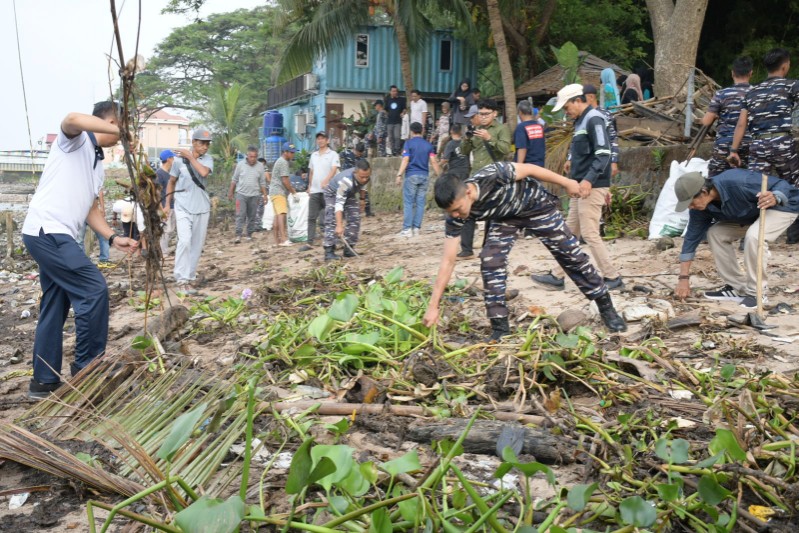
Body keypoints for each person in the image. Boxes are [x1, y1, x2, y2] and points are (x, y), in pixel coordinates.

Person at [423, 163, 627, 341]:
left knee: (571, 254)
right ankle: (500, 328)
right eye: (451, 212)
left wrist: (566, 182)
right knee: (490, 261)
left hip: (536, 206)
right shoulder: (455, 215)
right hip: (504, 218)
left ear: (467, 192)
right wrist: (433, 306)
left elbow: (530, 169)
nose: (456, 215)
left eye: (458, 209)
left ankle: (607, 309)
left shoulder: (493, 174)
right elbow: (448, 261)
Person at [21, 101, 138, 399]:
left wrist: (113, 239)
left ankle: (43, 382)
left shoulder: (97, 164)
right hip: (49, 231)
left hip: (56, 235)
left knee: (55, 303)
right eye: (121, 125)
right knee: (93, 289)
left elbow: (90, 211)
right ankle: (88, 370)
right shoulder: (76, 141)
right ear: (110, 121)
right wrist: (121, 130)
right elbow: (71, 118)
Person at [532, 84, 623, 291]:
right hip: (581, 185)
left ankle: (612, 277)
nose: (566, 111)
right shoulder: (581, 121)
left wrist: (589, 180)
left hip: (591, 186)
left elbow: (603, 153)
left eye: (567, 107)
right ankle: (557, 276)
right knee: (569, 233)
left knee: (590, 233)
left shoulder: (595, 119)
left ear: (578, 100)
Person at [672, 169, 799, 309]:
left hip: (782, 207)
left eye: (691, 201)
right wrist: (683, 278)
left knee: (754, 236)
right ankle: (737, 287)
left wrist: (775, 196)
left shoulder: (739, 182)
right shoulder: (700, 210)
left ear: (704, 191)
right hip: (751, 214)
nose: (690, 207)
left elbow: (782, 184)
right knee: (715, 233)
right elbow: (691, 239)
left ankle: (757, 293)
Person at [459, 99, 511, 259]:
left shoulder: (502, 129)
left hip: (494, 175)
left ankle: (488, 247)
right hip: (476, 175)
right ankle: (466, 249)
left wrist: (489, 138)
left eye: (486, 114)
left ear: (495, 114)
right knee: (468, 211)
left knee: (493, 213)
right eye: (480, 114)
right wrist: (467, 139)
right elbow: (463, 151)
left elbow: (505, 150)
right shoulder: (477, 130)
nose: (482, 117)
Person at [164, 128, 214, 289]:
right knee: (184, 241)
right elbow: (171, 181)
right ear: (193, 142)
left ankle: (190, 275)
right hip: (182, 206)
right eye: (201, 143)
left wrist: (190, 156)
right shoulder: (178, 162)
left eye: (207, 144)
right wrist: (167, 205)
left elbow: (203, 173)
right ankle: (181, 277)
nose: (205, 147)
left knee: (196, 244)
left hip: (202, 207)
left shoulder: (208, 160)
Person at [701, 57, 753, 177]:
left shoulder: (722, 94)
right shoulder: (756, 93)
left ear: (732, 73)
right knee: (747, 181)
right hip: (749, 144)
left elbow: (706, 121)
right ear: (751, 73)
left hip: (724, 144)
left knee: (715, 181)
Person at [396, 122, 442, 237]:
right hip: (424, 176)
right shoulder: (428, 145)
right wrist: (440, 176)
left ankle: (407, 229)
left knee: (409, 203)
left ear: (411, 131)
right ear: (422, 131)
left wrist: (399, 174)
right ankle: (416, 228)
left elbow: (405, 160)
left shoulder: (408, 144)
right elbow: (433, 161)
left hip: (411, 175)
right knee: (420, 203)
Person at [322, 159, 372, 260]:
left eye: (367, 176)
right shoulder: (346, 181)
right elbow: (339, 205)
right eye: (362, 177)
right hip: (333, 193)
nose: (364, 179)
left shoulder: (365, 176)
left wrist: (362, 199)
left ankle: (349, 249)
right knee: (332, 219)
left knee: (355, 217)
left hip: (349, 194)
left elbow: (363, 185)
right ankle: (329, 250)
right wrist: (339, 226)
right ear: (355, 173)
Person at [300, 132, 340, 251]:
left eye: (323, 138)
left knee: (330, 216)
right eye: (318, 139)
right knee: (312, 217)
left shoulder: (333, 154)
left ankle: (334, 240)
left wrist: (326, 180)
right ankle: (309, 242)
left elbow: (334, 170)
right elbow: (311, 171)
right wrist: (309, 186)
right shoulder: (314, 155)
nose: (320, 140)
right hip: (315, 191)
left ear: (327, 141)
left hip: (328, 190)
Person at [228, 146, 267, 243]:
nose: (253, 159)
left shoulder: (260, 166)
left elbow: (262, 182)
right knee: (240, 215)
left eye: (255, 157)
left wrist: (265, 195)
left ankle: (249, 234)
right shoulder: (240, 165)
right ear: (247, 156)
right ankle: (238, 235)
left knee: (252, 215)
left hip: (255, 195)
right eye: (251, 156)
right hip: (241, 194)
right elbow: (234, 179)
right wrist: (231, 192)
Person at [581, 84, 620, 177]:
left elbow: (613, 138)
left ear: (591, 97)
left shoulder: (605, 115)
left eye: (583, 98)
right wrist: (570, 159)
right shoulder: (583, 116)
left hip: (602, 160)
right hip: (586, 162)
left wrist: (614, 161)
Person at [269, 142, 298, 247]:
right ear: (285, 152)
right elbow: (285, 180)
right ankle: (284, 238)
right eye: (291, 153)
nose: (292, 155)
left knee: (277, 216)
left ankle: (278, 241)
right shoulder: (284, 162)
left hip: (273, 192)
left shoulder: (280, 161)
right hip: (279, 191)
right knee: (282, 214)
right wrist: (293, 192)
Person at [76, 188, 111, 267]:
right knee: (79, 240)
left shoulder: (91, 178)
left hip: (90, 211)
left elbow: (100, 191)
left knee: (103, 236)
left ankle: (103, 260)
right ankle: (86, 261)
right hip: (81, 212)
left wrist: (102, 208)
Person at [340, 142, 373, 216]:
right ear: (355, 149)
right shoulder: (347, 153)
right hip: (346, 179)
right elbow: (338, 157)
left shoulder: (362, 159)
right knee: (344, 195)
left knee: (364, 194)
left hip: (358, 179)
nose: (359, 154)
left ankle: (368, 212)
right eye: (358, 152)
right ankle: (342, 214)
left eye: (360, 153)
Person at [514, 100, 546, 167]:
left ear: (520, 112)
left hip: (527, 167)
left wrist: (519, 167)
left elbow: (522, 148)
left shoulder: (521, 127)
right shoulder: (539, 126)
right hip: (540, 165)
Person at [156, 150, 176, 255]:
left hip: (172, 205)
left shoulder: (169, 173)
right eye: (173, 158)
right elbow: (157, 193)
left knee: (171, 229)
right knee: (166, 229)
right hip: (165, 206)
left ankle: (165, 249)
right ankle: (163, 252)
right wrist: (161, 208)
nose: (174, 160)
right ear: (169, 159)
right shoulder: (159, 174)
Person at [385, 85, 406, 155]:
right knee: (390, 137)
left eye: (396, 91)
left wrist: (403, 113)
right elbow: (385, 109)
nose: (394, 92)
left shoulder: (401, 100)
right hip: (389, 121)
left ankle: (397, 150)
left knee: (397, 136)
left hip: (398, 121)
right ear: (390, 92)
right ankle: (392, 150)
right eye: (393, 91)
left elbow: (404, 109)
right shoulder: (387, 99)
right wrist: (387, 114)